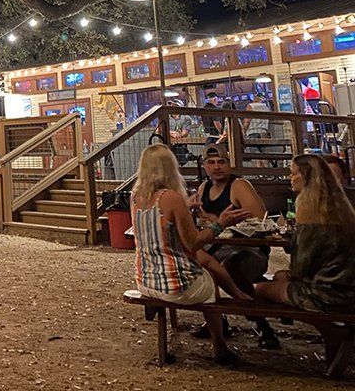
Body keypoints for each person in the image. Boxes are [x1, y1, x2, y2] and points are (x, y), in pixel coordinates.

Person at [131, 143, 250, 365]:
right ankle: (219, 345)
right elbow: (193, 242)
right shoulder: (172, 198)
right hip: (173, 285)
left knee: (202, 261)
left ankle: (235, 297)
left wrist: (185, 209)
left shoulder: (136, 196)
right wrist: (220, 224)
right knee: (208, 278)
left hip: (145, 279)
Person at [189, 145, 279, 349]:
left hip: (249, 249)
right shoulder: (204, 188)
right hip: (219, 247)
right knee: (199, 263)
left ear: (229, 164)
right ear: (204, 166)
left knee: (231, 267)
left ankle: (262, 324)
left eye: (222, 162)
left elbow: (261, 221)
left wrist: (217, 221)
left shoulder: (239, 186)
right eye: (211, 163)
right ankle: (217, 320)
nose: (216, 167)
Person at [256, 156, 355, 334]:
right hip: (347, 287)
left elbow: (300, 269)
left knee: (261, 288)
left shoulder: (309, 213)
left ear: (306, 178)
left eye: (293, 174)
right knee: (279, 276)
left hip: (327, 294)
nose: (290, 178)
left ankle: (329, 332)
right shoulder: (342, 208)